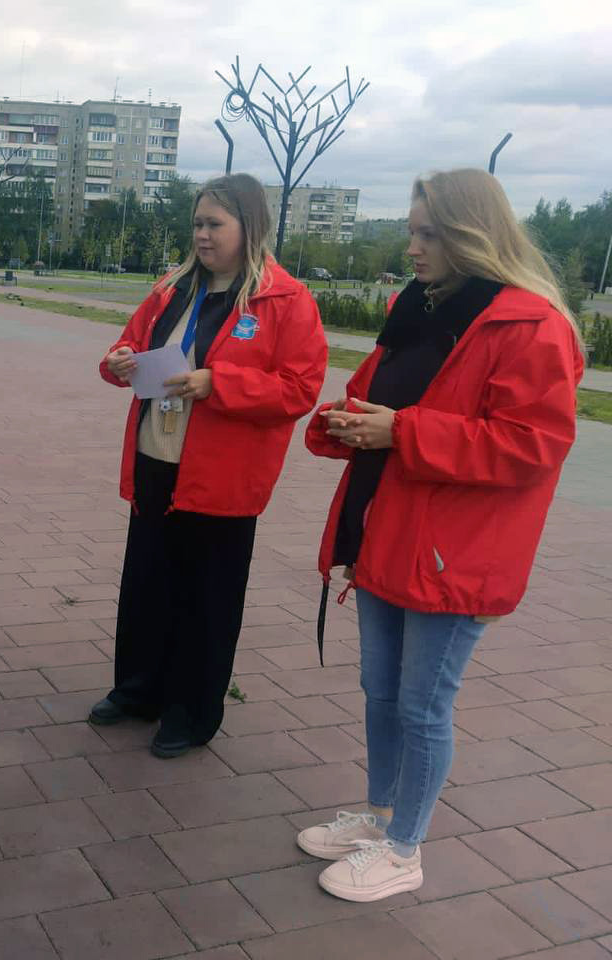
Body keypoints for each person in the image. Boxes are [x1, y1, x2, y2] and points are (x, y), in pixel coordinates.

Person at [299, 169, 584, 903]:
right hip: (386, 534)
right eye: (412, 229)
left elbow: (531, 446)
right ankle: (381, 814)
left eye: (428, 232)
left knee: (423, 703)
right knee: (380, 691)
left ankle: (404, 848)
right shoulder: (420, 309)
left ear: (469, 234)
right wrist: (348, 420)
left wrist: (402, 431)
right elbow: (381, 397)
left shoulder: (530, 324)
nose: (413, 244)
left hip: (454, 553)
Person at [89, 173, 328, 757]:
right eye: (197, 223)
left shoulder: (285, 301)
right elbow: (126, 348)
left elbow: (300, 389)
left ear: (251, 227)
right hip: (157, 459)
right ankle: (138, 691)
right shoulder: (172, 289)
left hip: (222, 479)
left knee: (207, 599)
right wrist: (118, 361)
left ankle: (191, 713)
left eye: (214, 224)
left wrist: (219, 384)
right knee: (147, 584)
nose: (201, 234)